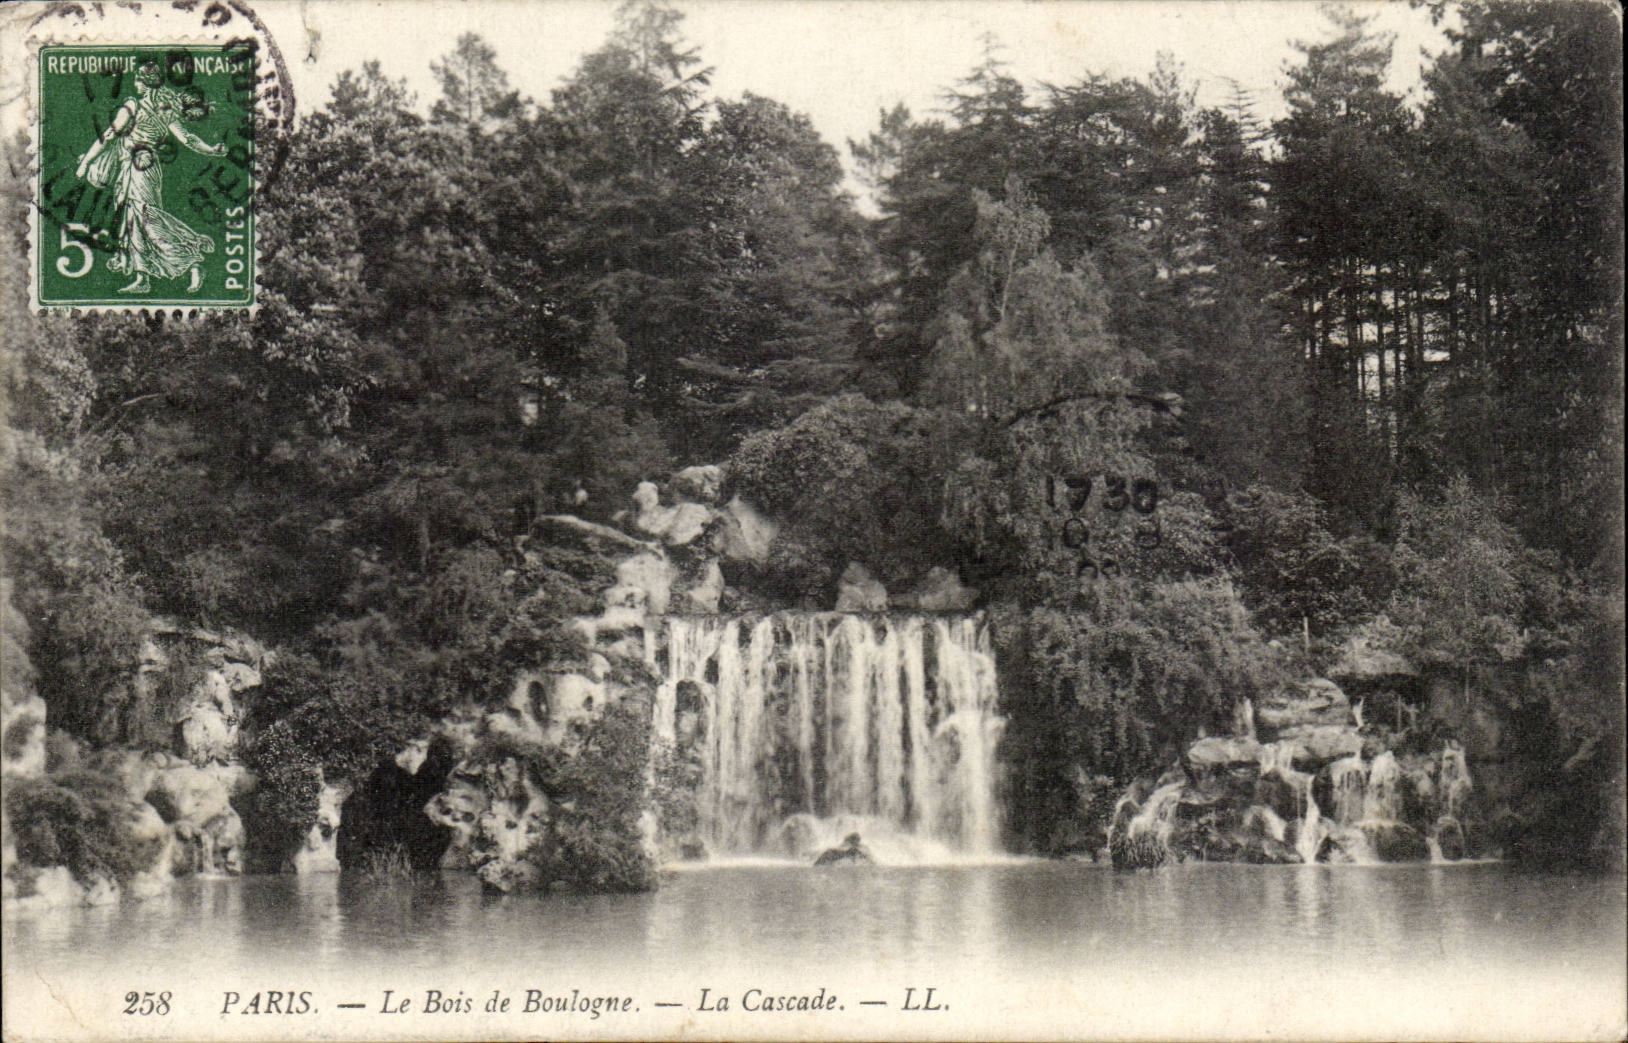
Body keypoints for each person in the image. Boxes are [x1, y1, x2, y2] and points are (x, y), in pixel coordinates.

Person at [74, 62, 226, 294]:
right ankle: (143, 276)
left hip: (138, 168)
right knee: (133, 219)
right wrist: (212, 150)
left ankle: (191, 260)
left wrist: (86, 163)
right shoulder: (165, 111)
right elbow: (189, 139)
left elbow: (109, 134)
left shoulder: (132, 106)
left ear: (145, 83)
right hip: (144, 167)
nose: (134, 84)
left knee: (144, 218)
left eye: (137, 80)